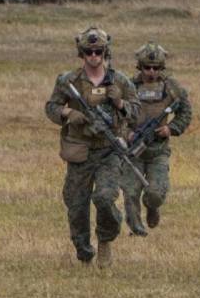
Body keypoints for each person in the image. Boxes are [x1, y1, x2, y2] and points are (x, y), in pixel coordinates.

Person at [45, 27, 138, 268]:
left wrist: (119, 102)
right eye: (88, 52)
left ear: (105, 52)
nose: (93, 56)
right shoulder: (69, 81)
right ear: (81, 53)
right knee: (76, 206)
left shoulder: (120, 81)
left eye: (98, 51)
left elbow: (136, 113)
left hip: (109, 150)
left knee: (105, 198)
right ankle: (85, 253)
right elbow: (51, 107)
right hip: (80, 151)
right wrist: (69, 113)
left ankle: (106, 239)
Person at [120, 42, 192, 235]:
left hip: (157, 151)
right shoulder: (128, 87)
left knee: (155, 194)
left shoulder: (172, 88)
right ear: (139, 67)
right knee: (130, 192)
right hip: (132, 151)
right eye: (146, 67)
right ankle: (136, 230)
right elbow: (116, 116)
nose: (151, 71)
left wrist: (171, 128)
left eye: (156, 68)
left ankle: (152, 207)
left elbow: (185, 112)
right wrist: (127, 134)